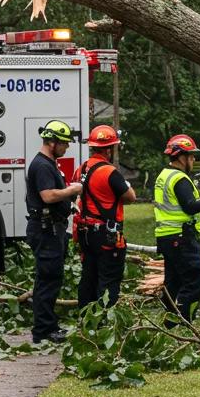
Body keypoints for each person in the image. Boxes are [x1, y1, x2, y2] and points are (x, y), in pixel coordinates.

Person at [153, 133, 200, 323]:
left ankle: (167, 322)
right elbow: (190, 205)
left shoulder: (164, 175)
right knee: (193, 283)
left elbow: (176, 206)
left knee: (173, 283)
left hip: (167, 236)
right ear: (181, 157)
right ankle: (182, 324)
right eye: (191, 155)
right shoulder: (180, 179)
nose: (193, 159)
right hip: (181, 238)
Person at [25, 120, 84, 344]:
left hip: (51, 229)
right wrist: (73, 189)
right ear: (52, 142)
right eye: (64, 144)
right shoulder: (42, 165)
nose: (66, 148)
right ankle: (43, 330)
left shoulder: (48, 163)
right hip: (45, 230)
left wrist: (68, 202)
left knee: (51, 278)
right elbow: (48, 196)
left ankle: (48, 325)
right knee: (48, 279)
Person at [74, 124, 136, 313]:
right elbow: (131, 197)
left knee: (88, 277)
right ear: (109, 149)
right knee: (108, 280)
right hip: (106, 235)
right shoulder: (110, 172)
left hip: (85, 233)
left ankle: (86, 319)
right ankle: (105, 323)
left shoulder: (81, 169)